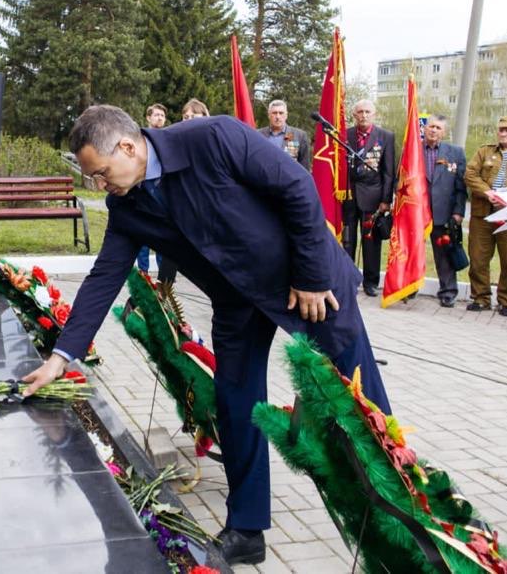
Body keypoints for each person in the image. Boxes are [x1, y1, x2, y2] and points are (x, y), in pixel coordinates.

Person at [23, 105, 391, 566]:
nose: (100, 187)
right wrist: (61, 357)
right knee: (237, 404)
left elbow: (296, 186)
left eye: (100, 174)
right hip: (237, 301)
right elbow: (103, 278)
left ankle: (404, 528)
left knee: (360, 406)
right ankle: (247, 528)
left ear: (128, 146)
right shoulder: (128, 205)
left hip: (307, 285)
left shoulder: (213, 138)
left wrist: (312, 276)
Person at [464, 115, 507, 317]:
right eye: (501, 129)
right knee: (478, 258)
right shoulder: (485, 151)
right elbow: (470, 174)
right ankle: (480, 298)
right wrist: (488, 192)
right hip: (483, 213)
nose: (503, 133)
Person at [343, 99, 396, 296]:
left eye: (367, 112)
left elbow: (388, 171)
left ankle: (371, 282)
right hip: (348, 195)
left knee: (371, 241)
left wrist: (386, 200)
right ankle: (347, 278)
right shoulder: (345, 134)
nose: (363, 115)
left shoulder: (385, 137)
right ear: (354, 115)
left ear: (374, 114)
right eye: (360, 112)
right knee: (348, 240)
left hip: (373, 196)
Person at [423, 115, 467, 307]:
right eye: (431, 126)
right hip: (418, 212)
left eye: (438, 128)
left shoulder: (456, 152)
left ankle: (448, 292)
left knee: (444, 254)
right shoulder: (413, 150)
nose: (434, 130)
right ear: (425, 128)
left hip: (444, 212)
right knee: (412, 252)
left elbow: (461, 187)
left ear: (444, 132)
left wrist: (458, 212)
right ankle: (409, 288)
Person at [136, 104, 176, 283]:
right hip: (144, 190)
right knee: (144, 236)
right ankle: (143, 274)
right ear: (148, 118)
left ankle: (164, 277)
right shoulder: (140, 138)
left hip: (163, 192)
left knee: (162, 236)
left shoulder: (170, 138)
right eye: (156, 115)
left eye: (162, 115)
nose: (160, 118)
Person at [257, 100, 312, 170]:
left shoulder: (299, 136)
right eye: (274, 113)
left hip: (289, 179)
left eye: (281, 113)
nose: (277, 116)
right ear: (269, 115)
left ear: (286, 115)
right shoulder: (259, 135)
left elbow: (304, 166)